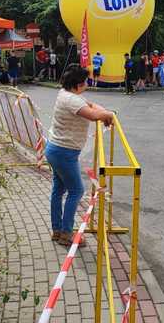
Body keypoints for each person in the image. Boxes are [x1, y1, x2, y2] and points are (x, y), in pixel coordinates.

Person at [45, 64, 115, 247]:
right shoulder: (72, 100)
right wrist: (108, 115)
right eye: (85, 82)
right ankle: (67, 233)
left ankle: (57, 230)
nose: (87, 84)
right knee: (76, 190)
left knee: (58, 190)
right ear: (77, 84)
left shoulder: (65, 94)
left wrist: (104, 113)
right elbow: (92, 115)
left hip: (55, 148)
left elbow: (91, 106)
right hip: (64, 152)